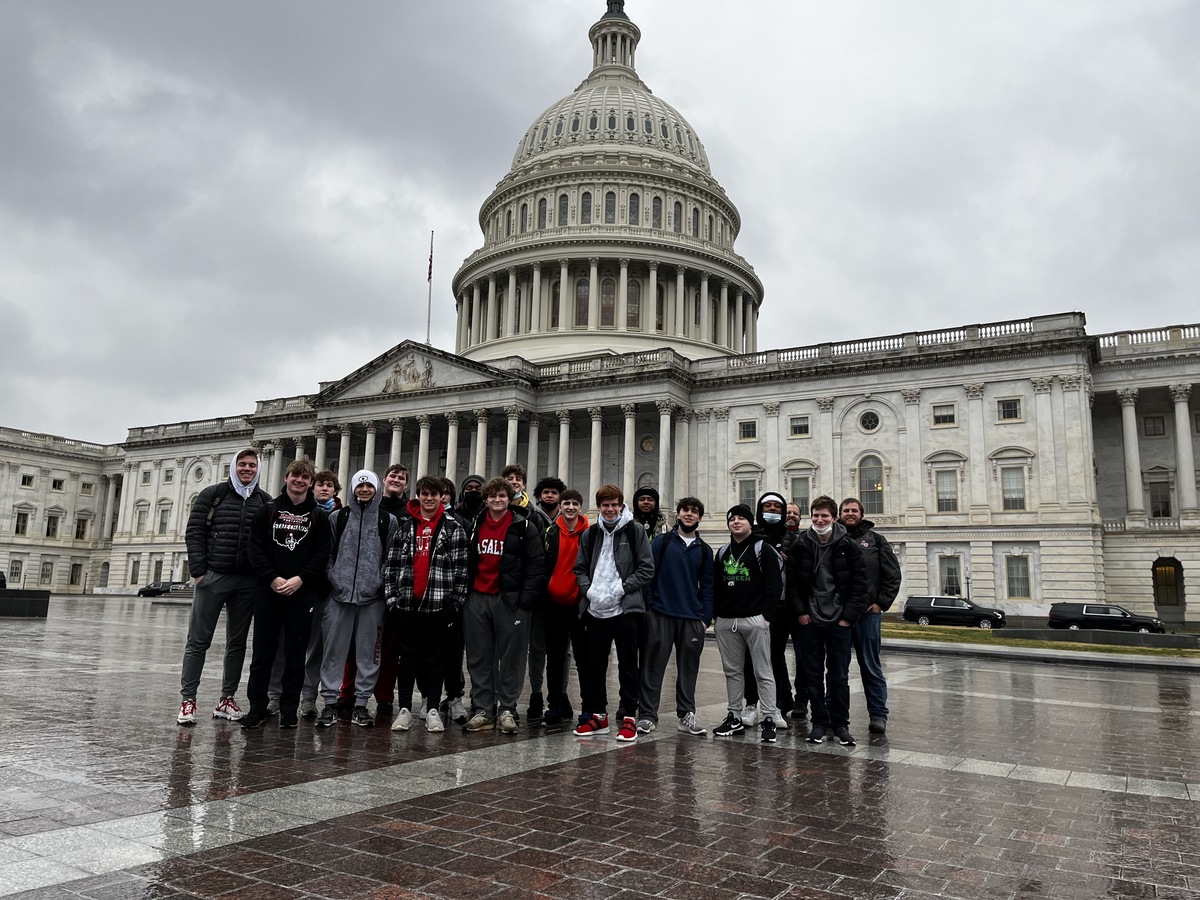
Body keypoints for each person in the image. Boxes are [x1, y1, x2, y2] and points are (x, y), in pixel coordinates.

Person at [178, 448, 271, 725]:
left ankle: (226, 699)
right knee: (198, 641)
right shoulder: (213, 494)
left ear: (258, 469)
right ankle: (188, 700)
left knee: (237, 643)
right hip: (214, 576)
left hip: (247, 582)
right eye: (242, 464)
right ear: (234, 467)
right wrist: (198, 572)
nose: (247, 469)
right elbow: (194, 531)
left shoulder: (264, 501)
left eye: (252, 465)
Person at [242, 460, 331, 729]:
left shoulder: (318, 516)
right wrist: (272, 577)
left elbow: (321, 554)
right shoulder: (267, 511)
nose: (300, 481)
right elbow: (254, 549)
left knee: (295, 654)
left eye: (305, 477)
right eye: (296, 476)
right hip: (269, 591)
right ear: (286, 477)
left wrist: (300, 579)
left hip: (301, 593)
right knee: (263, 654)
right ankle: (257, 707)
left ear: (311, 482)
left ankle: (289, 709)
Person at [383, 476, 469, 734]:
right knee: (407, 659)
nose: (429, 498)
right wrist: (392, 601)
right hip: (407, 604)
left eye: (434, 494)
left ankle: (432, 709)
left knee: (435, 659)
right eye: (424, 494)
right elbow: (391, 566)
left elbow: (462, 569)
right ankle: (405, 709)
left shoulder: (454, 528)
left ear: (442, 497)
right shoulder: (405, 527)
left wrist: (454, 604)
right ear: (417, 496)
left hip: (439, 605)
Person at [316, 470, 398, 728]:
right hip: (339, 595)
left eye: (369, 486)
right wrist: (333, 576)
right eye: (360, 486)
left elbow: (391, 558)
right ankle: (329, 702)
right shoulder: (337, 518)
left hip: (372, 598)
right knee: (333, 651)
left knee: (368, 653)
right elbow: (327, 553)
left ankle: (361, 704)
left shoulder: (388, 520)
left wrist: (379, 582)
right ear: (353, 488)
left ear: (376, 489)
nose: (364, 490)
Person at [462, 477, 545, 734]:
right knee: (479, 656)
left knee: (512, 657)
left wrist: (525, 602)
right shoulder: (476, 524)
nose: (497, 500)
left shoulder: (524, 526)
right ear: (486, 499)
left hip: (509, 599)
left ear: (510, 499)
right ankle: (484, 709)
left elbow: (536, 565)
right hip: (478, 596)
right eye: (492, 496)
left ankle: (507, 708)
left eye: (502, 496)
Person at [573, 484, 654, 742]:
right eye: (605, 505)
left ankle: (629, 715)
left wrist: (622, 588)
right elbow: (580, 568)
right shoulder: (591, 534)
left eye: (614, 505)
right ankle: (599, 716)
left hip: (625, 608)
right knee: (595, 664)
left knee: (628, 664)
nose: (610, 509)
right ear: (600, 506)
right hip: (596, 608)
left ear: (621, 505)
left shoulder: (634, 531)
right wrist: (590, 591)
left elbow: (646, 568)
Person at [787, 495, 868, 746]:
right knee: (812, 675)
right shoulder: (801, 545)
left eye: (824, 515)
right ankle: (819, 723)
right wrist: (801, 612)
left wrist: (847, 618)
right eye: (816, 515)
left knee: (839, 677)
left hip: (838, 622)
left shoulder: (848, 546)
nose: (820, 519)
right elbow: (792, 584)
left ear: (834, 518)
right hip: (810, 621)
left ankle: (841, 724)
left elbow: (859, 585)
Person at [637, 497, 713, 737]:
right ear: (678, 514)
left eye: (694, 511)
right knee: (652, 667)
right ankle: (648, 715)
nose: (689, 514)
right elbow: (648, 574)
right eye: (685, 510)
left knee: (689, 668)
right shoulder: (662, 542)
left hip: (691, 618)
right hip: (661, 614)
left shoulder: (704, 549)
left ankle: (686, 714)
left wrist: (705, 618)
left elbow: (708, 586)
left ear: (700, 517)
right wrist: (650, 610)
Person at [711, 504, 783, 743]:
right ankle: (734, 716)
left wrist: (767, 617)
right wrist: (716, 616)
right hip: (726, 620)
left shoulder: (764, 549)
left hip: (755, 620)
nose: (736, 522)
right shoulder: (722, 552)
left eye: (742, 518)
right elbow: (715, 587)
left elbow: (774, 586)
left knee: (763, 671)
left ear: (751, 523)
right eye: (732, 518)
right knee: (732, 671)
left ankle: (769, 717)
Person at [839, 496, 902, 735]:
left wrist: (881, 604)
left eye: (854, 510)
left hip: (867, 615)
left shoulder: (876, 540)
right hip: (841, 616)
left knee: (871, 667)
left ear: (861, 514)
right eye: (846, 510)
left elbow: (892, 575)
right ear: (840, 514)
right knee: (837, 669)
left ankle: (878, 715)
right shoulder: (834, 539)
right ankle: (836, 715)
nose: (850, 513)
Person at [742, 491, 800, 730]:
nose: (773, 511)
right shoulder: (751, 535)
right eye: (768, 507)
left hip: (782, 608)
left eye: (777, 507)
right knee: (750, 658)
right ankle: (751, 703)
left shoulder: (793, 538)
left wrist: (789, 561)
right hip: (754, 606)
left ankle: (777, 703)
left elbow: (802, 572)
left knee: (775, 657)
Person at [502, 463, 552, 724]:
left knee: (534, 648)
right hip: (503, 594)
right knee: (507, 650)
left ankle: (530, 696)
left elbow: (540, 558)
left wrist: (532, 592)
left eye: (517, 478)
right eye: (508, 478)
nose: (513, 482)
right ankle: (501, 702)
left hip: (528, 593)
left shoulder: (535, 515)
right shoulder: (491, 513)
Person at [540, 488, 589, 729]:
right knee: (556, 658)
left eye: (574, 503)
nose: (570, 507)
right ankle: (555, 705)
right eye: (566, 503)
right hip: (555, 604)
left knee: (584, 659)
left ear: (581, 507)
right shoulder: (550, 532)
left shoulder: (590, 534)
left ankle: (589, 706)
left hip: (580, 605)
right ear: (560, 506)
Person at [298, 470, 340, 718]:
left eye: (329, 485)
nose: (324, 488)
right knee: (298, 646)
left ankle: (321, 697)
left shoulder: (342, 516)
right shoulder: (301, 513)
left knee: (325, 648)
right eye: (320, 484)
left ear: (336, 490)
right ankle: (293, 696)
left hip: (329, 590)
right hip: (302, 587)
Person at [373, 463, 411, 716]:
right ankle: (349, 693)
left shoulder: (409, 512)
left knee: (390, 647)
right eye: (393, 475)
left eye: (401, 477)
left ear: (406, 485)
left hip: (397, 587)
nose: (396, 479)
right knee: (360, 645)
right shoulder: (368, 507)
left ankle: (385, 697)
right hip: (368, 586)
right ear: (384, 479)